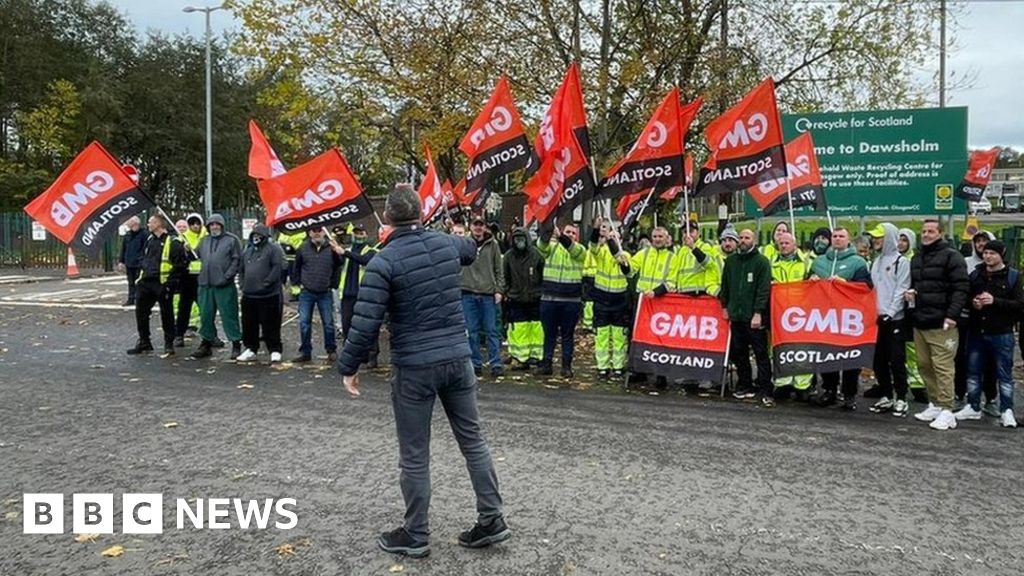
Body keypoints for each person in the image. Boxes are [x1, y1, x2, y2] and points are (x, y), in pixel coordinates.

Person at [338, 184, 508, 558]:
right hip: (458, 359)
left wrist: (348, 366)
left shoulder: (384, 261)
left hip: (415, 365)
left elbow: (364, 323)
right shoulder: (447, 244)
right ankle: (492, 518)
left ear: (387, 220)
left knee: (415, 454)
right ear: (421, 213)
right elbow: (468, 247)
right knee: (473, 441)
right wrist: (450, 228)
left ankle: (415, 534)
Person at [907, 218, 969, 431]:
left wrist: (952, 315)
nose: (926, 234)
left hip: (942, 322)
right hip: (921, 321)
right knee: (924, 364)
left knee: (943, 367)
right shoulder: (916, 258)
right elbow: (917, 285)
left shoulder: (952, 256)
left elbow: (961, 288)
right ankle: (934, 402)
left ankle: (947, 410)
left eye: (931, 231)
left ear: (940, 233)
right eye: (924, 231)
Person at [954, 240, 1021, 428]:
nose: (988, 256)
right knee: (973, 372)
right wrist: (973, 303)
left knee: (1004, 374)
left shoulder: (1013, 276)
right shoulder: (976, 274)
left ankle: (1006, 410)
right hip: (977, 331)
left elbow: (1019, 305)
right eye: (985, 253)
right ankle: (973, 405)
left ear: (1001, 254)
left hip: (1002, 332)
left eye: (992, 253)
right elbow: (965, 297)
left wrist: (995, 301)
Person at [809, 227, 872, 410]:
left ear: (848, 239)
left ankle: (849, 394)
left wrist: (846, 285)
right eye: (834, 236)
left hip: (848, 317)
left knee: (850, 356)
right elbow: (806, 288)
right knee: (828, 355)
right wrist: (811, 280)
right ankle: (829, 390)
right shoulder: (819, 262)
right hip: (825, 316)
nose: (837, 239)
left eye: (841, 236)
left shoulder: (858, 262)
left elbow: (866, 287)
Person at [720, 229, 773, 406]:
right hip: (736, 315)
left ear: (754, 240)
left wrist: (758, 312)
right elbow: (725, 285)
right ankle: (745, 384)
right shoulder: (731, 261)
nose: (743, 240)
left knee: (760, 354)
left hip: (754, 317)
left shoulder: (761, 262)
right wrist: (725, 306)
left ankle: (765, 388)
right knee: (739, 353)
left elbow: (763, 290)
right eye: (741, 237)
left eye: (746, 238)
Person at [867, 223, 912, 416]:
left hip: (894, 320)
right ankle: (886, 393)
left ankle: (901, 396)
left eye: (880, 237)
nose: (876, 241)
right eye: (875, 237)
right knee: (878, 360)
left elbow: (901, 289)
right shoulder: (875, 262)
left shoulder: (901, 262)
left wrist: (891, 313)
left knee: (896, 359)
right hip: (876, 319)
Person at [127, 215, 187, 356]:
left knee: (167, 314)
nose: (148, 224)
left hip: (162, 283)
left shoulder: (173, 242)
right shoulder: (150, 239)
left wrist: (169, 284)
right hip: (146, 282)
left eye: (151, 222)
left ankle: (168, 343)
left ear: (159, 224)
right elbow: (143, 257)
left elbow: (180, 265)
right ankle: (144, 341)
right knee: (141, 313)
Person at [535, 222, 586, 378]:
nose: (570, 234)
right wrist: (546, 230)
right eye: (568, 232)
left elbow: (573, 250)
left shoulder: (581, 250)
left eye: (572, 233)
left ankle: (566, 366)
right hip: (549, 299)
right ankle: (547, 364)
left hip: (571, 301)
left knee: (567, 335)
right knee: (549, 334)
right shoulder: (552, 247)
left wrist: (561, 236)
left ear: (577, 237)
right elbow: (542, 247)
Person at [955, 230, 998, 411]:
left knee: (991, 362)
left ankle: (990, 399)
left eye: (985, 241)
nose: (981, 245)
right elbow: (960, 288)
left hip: (992, 322)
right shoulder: (966, 264)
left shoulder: (1001, 268)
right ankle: (960, 394)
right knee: (963, 359)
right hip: (968, 320)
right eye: (978, 241)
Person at [191, 214, 243, 360]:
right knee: (205, 315)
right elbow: (196, 255)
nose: (214, 227)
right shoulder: (204, 241)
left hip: (224, 285)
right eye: (211, 224)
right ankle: (206, 343)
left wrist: (227, 276)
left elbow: (236, 260)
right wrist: (187, 249)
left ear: (222, 225)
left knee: (229, 315)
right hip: (205, 284)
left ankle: (236, 343)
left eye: (217, 224)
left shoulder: (232, 240)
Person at [769, 232, 812, 399]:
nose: (784, 246)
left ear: (795, 245)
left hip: (802, 313)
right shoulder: (772, 263)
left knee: (802, 350)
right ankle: (783, 384)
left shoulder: (806, 263)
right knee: (781, 349)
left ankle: (802, 386)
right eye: (781, 243)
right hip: (780, 313)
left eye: (787, 243)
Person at [461, 216, 505, 377]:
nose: (478, 228)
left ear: (485, 227)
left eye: (481, 225)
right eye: (475, 224)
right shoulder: (464, 244)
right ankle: (475, 363)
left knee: (492, 331)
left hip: (488, 294)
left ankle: (496, 363)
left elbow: (499, 269)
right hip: (467, 293)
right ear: (470, 227)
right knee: (471, 331)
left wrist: (499, 290)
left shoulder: (493, 245)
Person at [588, 218, 631, 379]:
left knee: (619, 336)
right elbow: (592, 246)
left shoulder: (625, 254)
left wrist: (612, 242)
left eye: (615, 236)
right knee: (602, 335)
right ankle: (602, 366)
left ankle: (618, 366)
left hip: (619, 300)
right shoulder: (600, 251)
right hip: (602, 299)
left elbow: (624, 265)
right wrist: (596, 229)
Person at [293, 227, 344, 363]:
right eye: (313, 231)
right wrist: (298, 284)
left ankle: (331, 350)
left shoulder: (331, 248)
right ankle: (306, 352)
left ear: (324, 232)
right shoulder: (302, 248)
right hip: (307, 292)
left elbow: (339, 265)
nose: (317, 233)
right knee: (304, 323)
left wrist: (334, 284)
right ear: (309, 233)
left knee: (328, 323)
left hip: (325, 292)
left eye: (319, 231)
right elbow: (296, 267)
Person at [236, 224, 286, 363]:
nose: (256, 238)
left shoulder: (273, 249)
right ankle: (251, 349)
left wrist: (267, 283)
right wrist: (242, 284)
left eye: (259, 235)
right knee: (248, 324)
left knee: (271, 324)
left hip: (268, 295)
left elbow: (277, 267)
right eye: (254, 235)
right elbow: (241, 270)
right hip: (249, 295)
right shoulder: (247, 251)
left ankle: (274, 349)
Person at [338, 223, 381, 368]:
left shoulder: (372, 250)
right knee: (347, 326)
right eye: (356, 233)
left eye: (361, 233)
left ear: (366, 235)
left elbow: (364, 260)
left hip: (364, 295)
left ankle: (372, 355)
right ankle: (351, 355)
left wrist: (344, 253)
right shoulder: (347, 249)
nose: (359, 236)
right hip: (347, 295)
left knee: (368, 327)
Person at [503, 226, 544, 370]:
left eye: (521, 239)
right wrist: (507, 292)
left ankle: (537, 356)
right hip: (516, 299)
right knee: (518, 330)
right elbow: (505, 276)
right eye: (516, 239)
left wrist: (540, 292)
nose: (519, 242)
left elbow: (542, 274)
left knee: (536, 329)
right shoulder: (508, 256)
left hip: (535, 298)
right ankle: (519, 357)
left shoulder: (536, 255)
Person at [175, 213, 206, 346]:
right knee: (184, 308)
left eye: (197, 223)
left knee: (206, 308)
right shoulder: (182, 238)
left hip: (203, 277)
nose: (195, 226)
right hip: (187, 277)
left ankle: (210, 336)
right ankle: (179, 335)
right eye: (192, 223)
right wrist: (184, 251)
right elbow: (176, 256)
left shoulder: (207, 238)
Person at [668, 219, 720, 296]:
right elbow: (676, 271)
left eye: (691, 231)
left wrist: (693, 248)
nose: (688, 235)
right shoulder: (681, 250)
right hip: (682, 292)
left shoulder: (705, 246)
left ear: (698, 233)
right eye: (685, 232)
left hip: (698, 292)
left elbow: (709, 264)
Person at [117, 216, 147, 307]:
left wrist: (142, 260)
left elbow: (145, 248)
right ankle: (131, 298)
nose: (128, 224)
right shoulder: (128, 235)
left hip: (139, 263)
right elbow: (124, 248)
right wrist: (121, 261)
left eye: (129, 222)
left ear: (135, 223)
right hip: (129, 262)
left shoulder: (144, 234)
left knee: (139, 282)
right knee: (131, 282)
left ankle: (140, 299)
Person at [278, 230, 307, 301]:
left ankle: (296, 294)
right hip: (284, 258)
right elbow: (280, 242)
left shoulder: (300, 233)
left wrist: (290, 242)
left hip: (294, 258)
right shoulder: (283, 231)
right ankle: (280, 293)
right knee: (281, 277)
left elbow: (299, 246)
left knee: (294, 276)